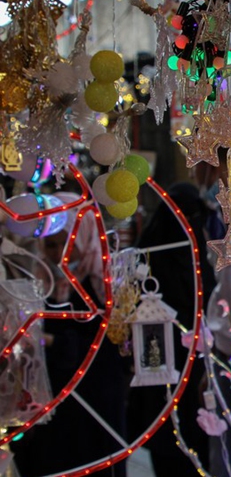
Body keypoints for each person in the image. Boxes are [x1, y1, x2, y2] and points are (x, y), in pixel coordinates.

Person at [10, 194, 128, 477]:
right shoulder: (43, 281)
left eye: (67, 244)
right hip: (53, 405)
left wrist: (50, 341)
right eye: (51, 245)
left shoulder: (104, 286)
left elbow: (106, 346)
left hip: (95, 404)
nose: (58, 254)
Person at [127, 183, 217, 476]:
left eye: (192, 216)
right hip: (166, 361)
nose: (188, 223)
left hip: (180, 364)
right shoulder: (161, 253)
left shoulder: (160, 248)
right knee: (175, 439)